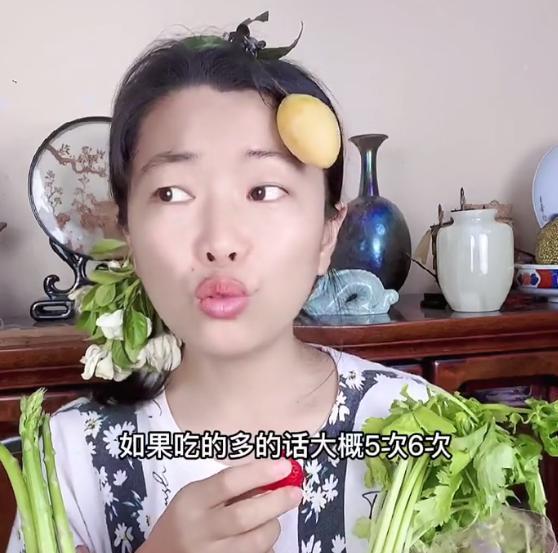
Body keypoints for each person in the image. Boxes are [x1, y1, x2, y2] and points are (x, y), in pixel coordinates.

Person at [8, 27, 428, 553]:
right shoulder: (66, 458)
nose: (220, 242)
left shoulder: (420, 426)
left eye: (264, 190)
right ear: (128, 235)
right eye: (171, 193)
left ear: (327, 234)